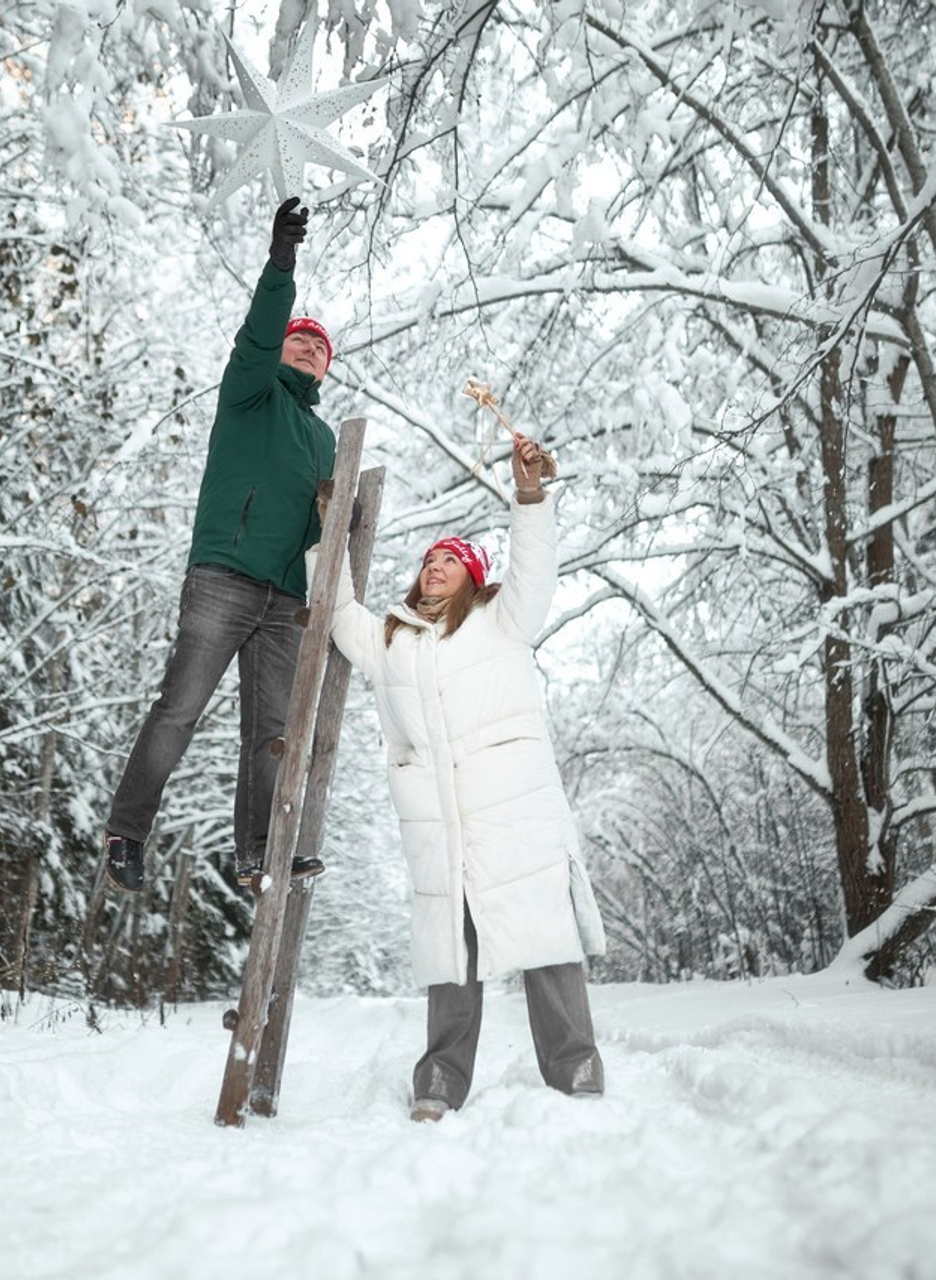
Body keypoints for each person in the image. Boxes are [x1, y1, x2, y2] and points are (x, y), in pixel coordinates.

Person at [315, 433, 606, 1121]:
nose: (436, 567)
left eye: (451, 560)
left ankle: (577, 1068)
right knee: (453, 954)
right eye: (430, 561)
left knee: (547, 940)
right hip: (440, 825)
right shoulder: (391, 639)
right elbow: (335, 610)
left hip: (514, 812)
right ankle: (440, 1080)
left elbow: (533, 569)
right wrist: (324, 534)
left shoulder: (503, 622)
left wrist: (529, 497)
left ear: (473, 576)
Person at [103, 197, 337, 894]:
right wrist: (282, 265)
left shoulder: (326, 440)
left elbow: (320, 527)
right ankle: (128, 831)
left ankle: (258, 852)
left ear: (328, 368)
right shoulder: (251, 392)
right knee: (181, 706)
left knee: (271, 732)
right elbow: (260, 336)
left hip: (284, 598)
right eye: (300, 338)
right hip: (225, 577)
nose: (306, 348)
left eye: (319, 347)